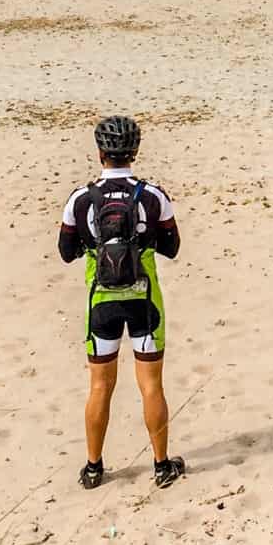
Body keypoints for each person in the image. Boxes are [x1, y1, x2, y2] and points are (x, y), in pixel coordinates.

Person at [59, 115, 186, 489]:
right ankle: (162, 465)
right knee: (151, 385)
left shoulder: (81, 199)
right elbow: (172, 248)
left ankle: (94, 468)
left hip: (102, 303)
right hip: (145, 300)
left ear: (100, 153)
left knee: (100, 385)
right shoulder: (151, 196)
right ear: (135, 151)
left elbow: (66, 252)